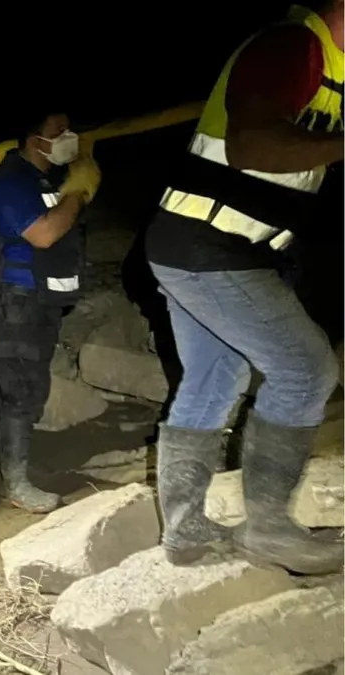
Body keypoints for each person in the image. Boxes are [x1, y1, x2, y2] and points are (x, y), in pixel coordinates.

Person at [144, 1, 344, 572]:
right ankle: (270, 530)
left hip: (199, 244)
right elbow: (249, 146)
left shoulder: (333, 73)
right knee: (307, 370)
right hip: (210, 245)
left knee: (214, 376)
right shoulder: (291, 48)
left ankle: (185, 532)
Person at [0, 111, 101, 514]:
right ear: (34, 139)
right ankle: (14, 484)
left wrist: (71, 189)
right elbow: (45, 234)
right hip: (18, 300)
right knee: (22, 392)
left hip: (37, 299)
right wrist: (78, 194)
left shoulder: (42, 181)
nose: (69, 136)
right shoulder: (11, 183)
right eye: (58, 131)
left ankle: (5, 463)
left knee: (9, 385)